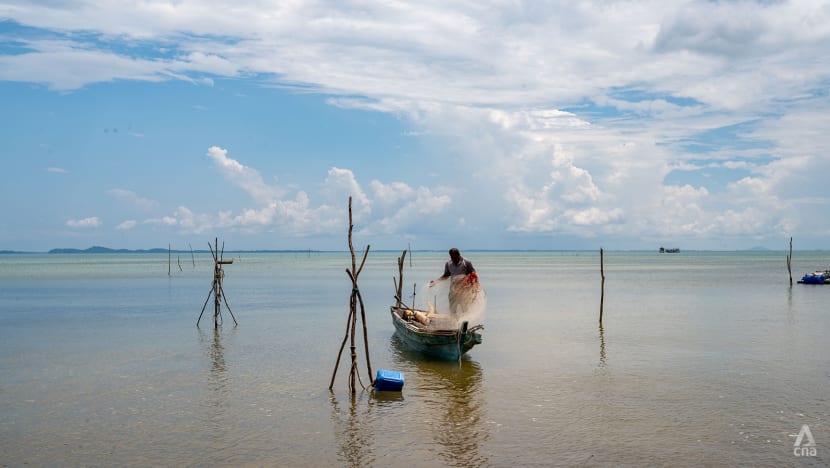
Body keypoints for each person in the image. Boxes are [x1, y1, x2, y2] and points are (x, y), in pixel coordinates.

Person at [429, 248, 477, 316]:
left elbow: (473, 274)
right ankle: (454, 321)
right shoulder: (448, 264)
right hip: (453, 291)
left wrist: (473, 286)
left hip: (464, 291)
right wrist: (436, 282)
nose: (453, 259)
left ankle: (465, 321)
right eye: (451, 257)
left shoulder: (466, 262)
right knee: (452, 310)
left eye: (454, 257)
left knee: (465, 309)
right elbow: (446, 275)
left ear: (458, 255)